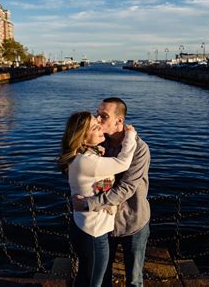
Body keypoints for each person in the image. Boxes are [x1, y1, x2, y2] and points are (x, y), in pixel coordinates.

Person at [73, 97, 151, 287]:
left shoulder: (139, 149)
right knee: (102, 274)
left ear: (119, 121)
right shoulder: (99, 142)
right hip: (104, 223)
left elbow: (126, 189)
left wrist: (89, 203)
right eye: (97, 113)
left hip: (132, 220)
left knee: (134, 278)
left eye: (104, 116)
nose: (98, 119)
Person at [58, 111, 137, 287]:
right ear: (83, 138)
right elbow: (123, 162)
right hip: (95, 233)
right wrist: (131, 136)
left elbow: (94, 182)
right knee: (95, 282)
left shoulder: (78, 156)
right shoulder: (88, 162)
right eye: (95, 127)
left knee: (84, 275)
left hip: (81, 226)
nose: (100, 127)